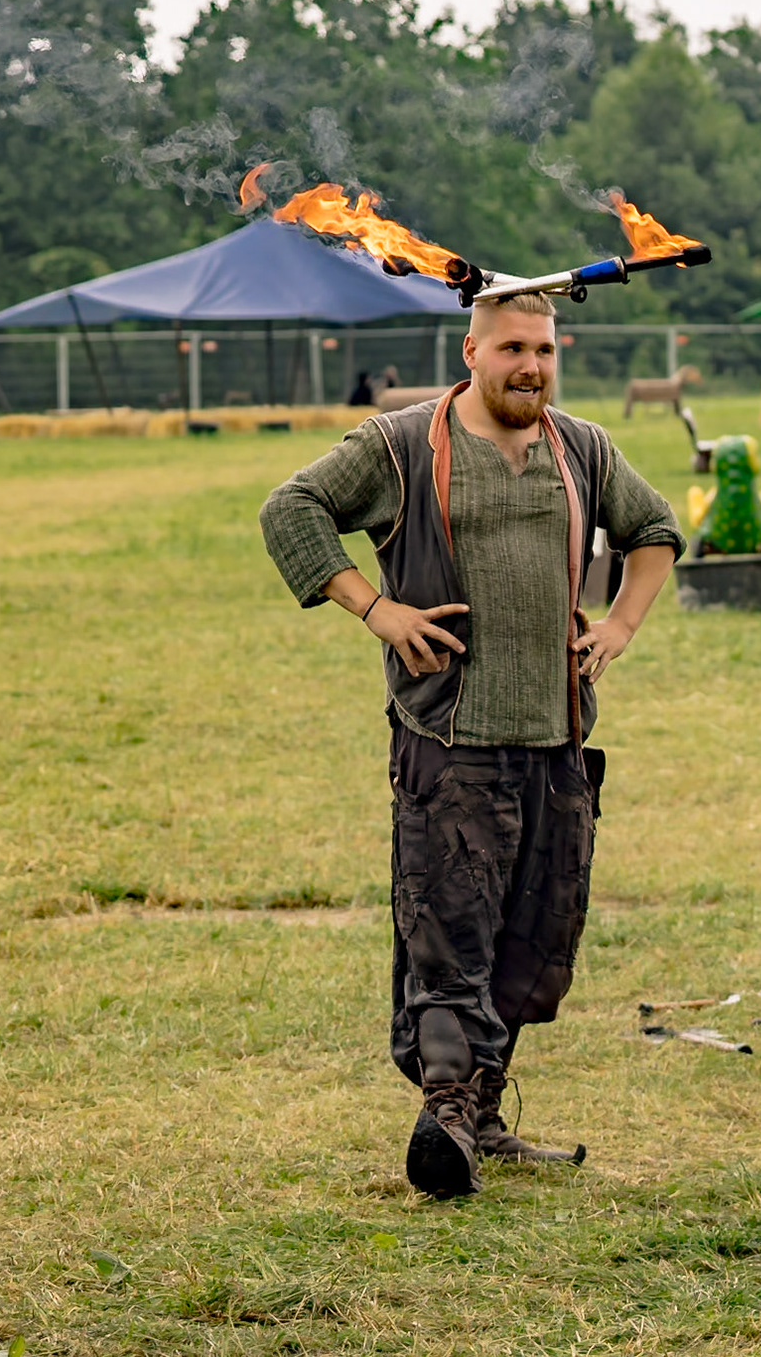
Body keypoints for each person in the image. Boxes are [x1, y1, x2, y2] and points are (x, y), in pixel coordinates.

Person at [259, 292, 682, 1200]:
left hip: (557, 735)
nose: (531, 366)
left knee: (536, 940)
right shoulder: (404, 444)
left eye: (545, 348)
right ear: (473, 350)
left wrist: (620, 624)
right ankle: (444, 1114)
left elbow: (655, 530)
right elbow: (290, 509)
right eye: (513, 349)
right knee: (449, 935)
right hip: (449, 735)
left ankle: (480, 1113)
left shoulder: (583, 447)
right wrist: (376, 608)